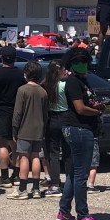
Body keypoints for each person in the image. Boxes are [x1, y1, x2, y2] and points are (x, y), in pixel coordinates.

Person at [57, 48, 105, 220]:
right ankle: (83, 214)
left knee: (73, 173)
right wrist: (97, 111)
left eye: (85, 61)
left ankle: (64, 210)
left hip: (81, 128)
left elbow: (86, 103)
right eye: (79, 62)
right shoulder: (72, 82)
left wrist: (96, 105)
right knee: (81, 175)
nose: (83, 64)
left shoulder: (83, 81)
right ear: (72, 64)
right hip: (78, 128)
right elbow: (80, 108)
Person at [7, 61, 48, 200]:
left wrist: (14, 129)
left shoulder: (22, 90)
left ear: (26, 74)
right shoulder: (43, 92)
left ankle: (22, 188)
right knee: (36, 156)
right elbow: (45, 113)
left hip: (25, 127)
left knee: (24, 157)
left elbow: (17, 112)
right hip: (39, 128)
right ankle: (36, 188)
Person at [0, 46, 26, 188]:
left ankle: (4, 177)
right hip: (17, 111)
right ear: (15, 58)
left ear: (1, 57)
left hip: (2, 111)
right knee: (15, 143)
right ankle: (15, 175)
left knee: (2, 144)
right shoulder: (21, 74)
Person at [42, 60, 70, 197]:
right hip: (66, 117)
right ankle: (70, 180)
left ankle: (55, 184)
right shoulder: (65, 85)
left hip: (51, 118)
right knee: (67, 151)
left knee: (53, 152)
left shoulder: (46, 86)